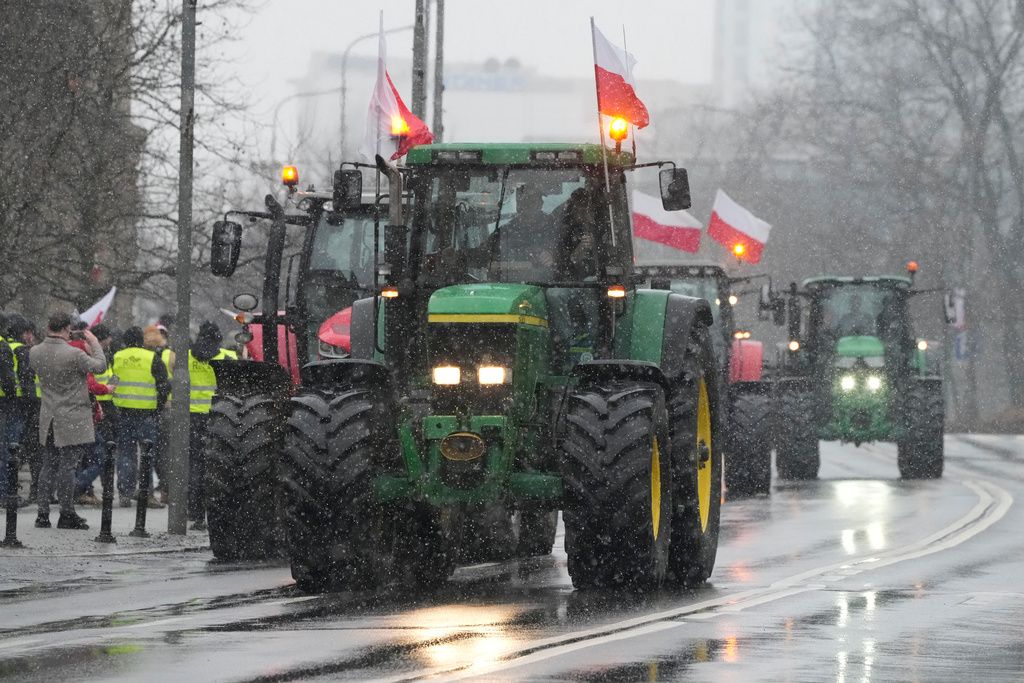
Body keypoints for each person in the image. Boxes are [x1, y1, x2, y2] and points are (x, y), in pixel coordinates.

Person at [29, 312, 107, 530]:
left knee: (48, 465)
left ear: (48, 326)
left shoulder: (35, 352)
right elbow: (100, 366)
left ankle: (42, 514)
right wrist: (94, 343)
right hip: (73, 417)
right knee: (68, 467)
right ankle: (66, 513)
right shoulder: (74, 354)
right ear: (66, 329)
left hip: (49, 416)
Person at [112, 326, 170, 508]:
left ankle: (125, 493)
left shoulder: (117, 357)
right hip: (147, 415)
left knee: (126, 454)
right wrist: (157, 408)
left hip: (124, 413)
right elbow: (163, 386)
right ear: (141, 340)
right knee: (147, 456)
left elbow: (112, 382)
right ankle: (147, 494)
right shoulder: (152, 358)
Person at [187, 321, 237, 530]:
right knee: (219, 466)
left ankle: (195, 511)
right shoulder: (228, 357)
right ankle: (217, 512)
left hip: (193, 416)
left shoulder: (187, 357)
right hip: (219, 417)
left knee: (195, 464)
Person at [2, 314, 40, 505]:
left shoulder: (9, 346)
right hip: (18, 405)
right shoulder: (22, 350)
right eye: (28, 333)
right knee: (16, 448)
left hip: (12, 404)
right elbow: (25, 381)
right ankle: (9, 491)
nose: (30, 336)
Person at [0, 314, 19, 502]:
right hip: (3, 402)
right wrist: (12, 396)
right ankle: (4, 492)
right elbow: (7, 378)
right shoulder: (2, 346)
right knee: (5, 449)